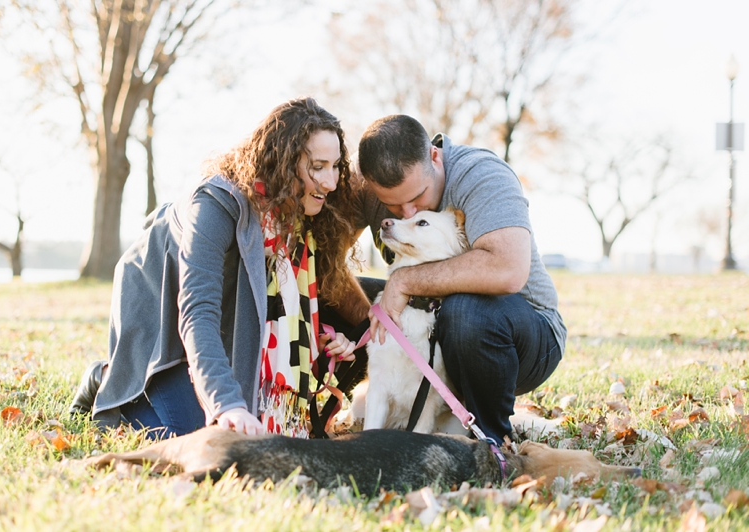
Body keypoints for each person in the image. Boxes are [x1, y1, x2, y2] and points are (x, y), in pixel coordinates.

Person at [69, 97, 370, 439]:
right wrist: (227, 404)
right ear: (284, 163)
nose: (330, 182)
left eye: (334, 166)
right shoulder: (215, 205)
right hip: (159, 310)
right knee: (200, 434)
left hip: (215, 317)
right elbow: (198, 312)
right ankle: (111, 377)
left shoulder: (296, 214)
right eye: (318, 166)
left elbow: (270, 308)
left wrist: (318, 339)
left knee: (242, 429)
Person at [353, 114, 566, 445]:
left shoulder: (481, 175)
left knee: (464, 311)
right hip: (425, 317)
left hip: (518, 333)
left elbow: (507, 269)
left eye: (418, 197)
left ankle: (489, 439)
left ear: (434, 157)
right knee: (345, 295)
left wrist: (405, 281)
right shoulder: (374, 188)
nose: (406, 213)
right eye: (392, 205)